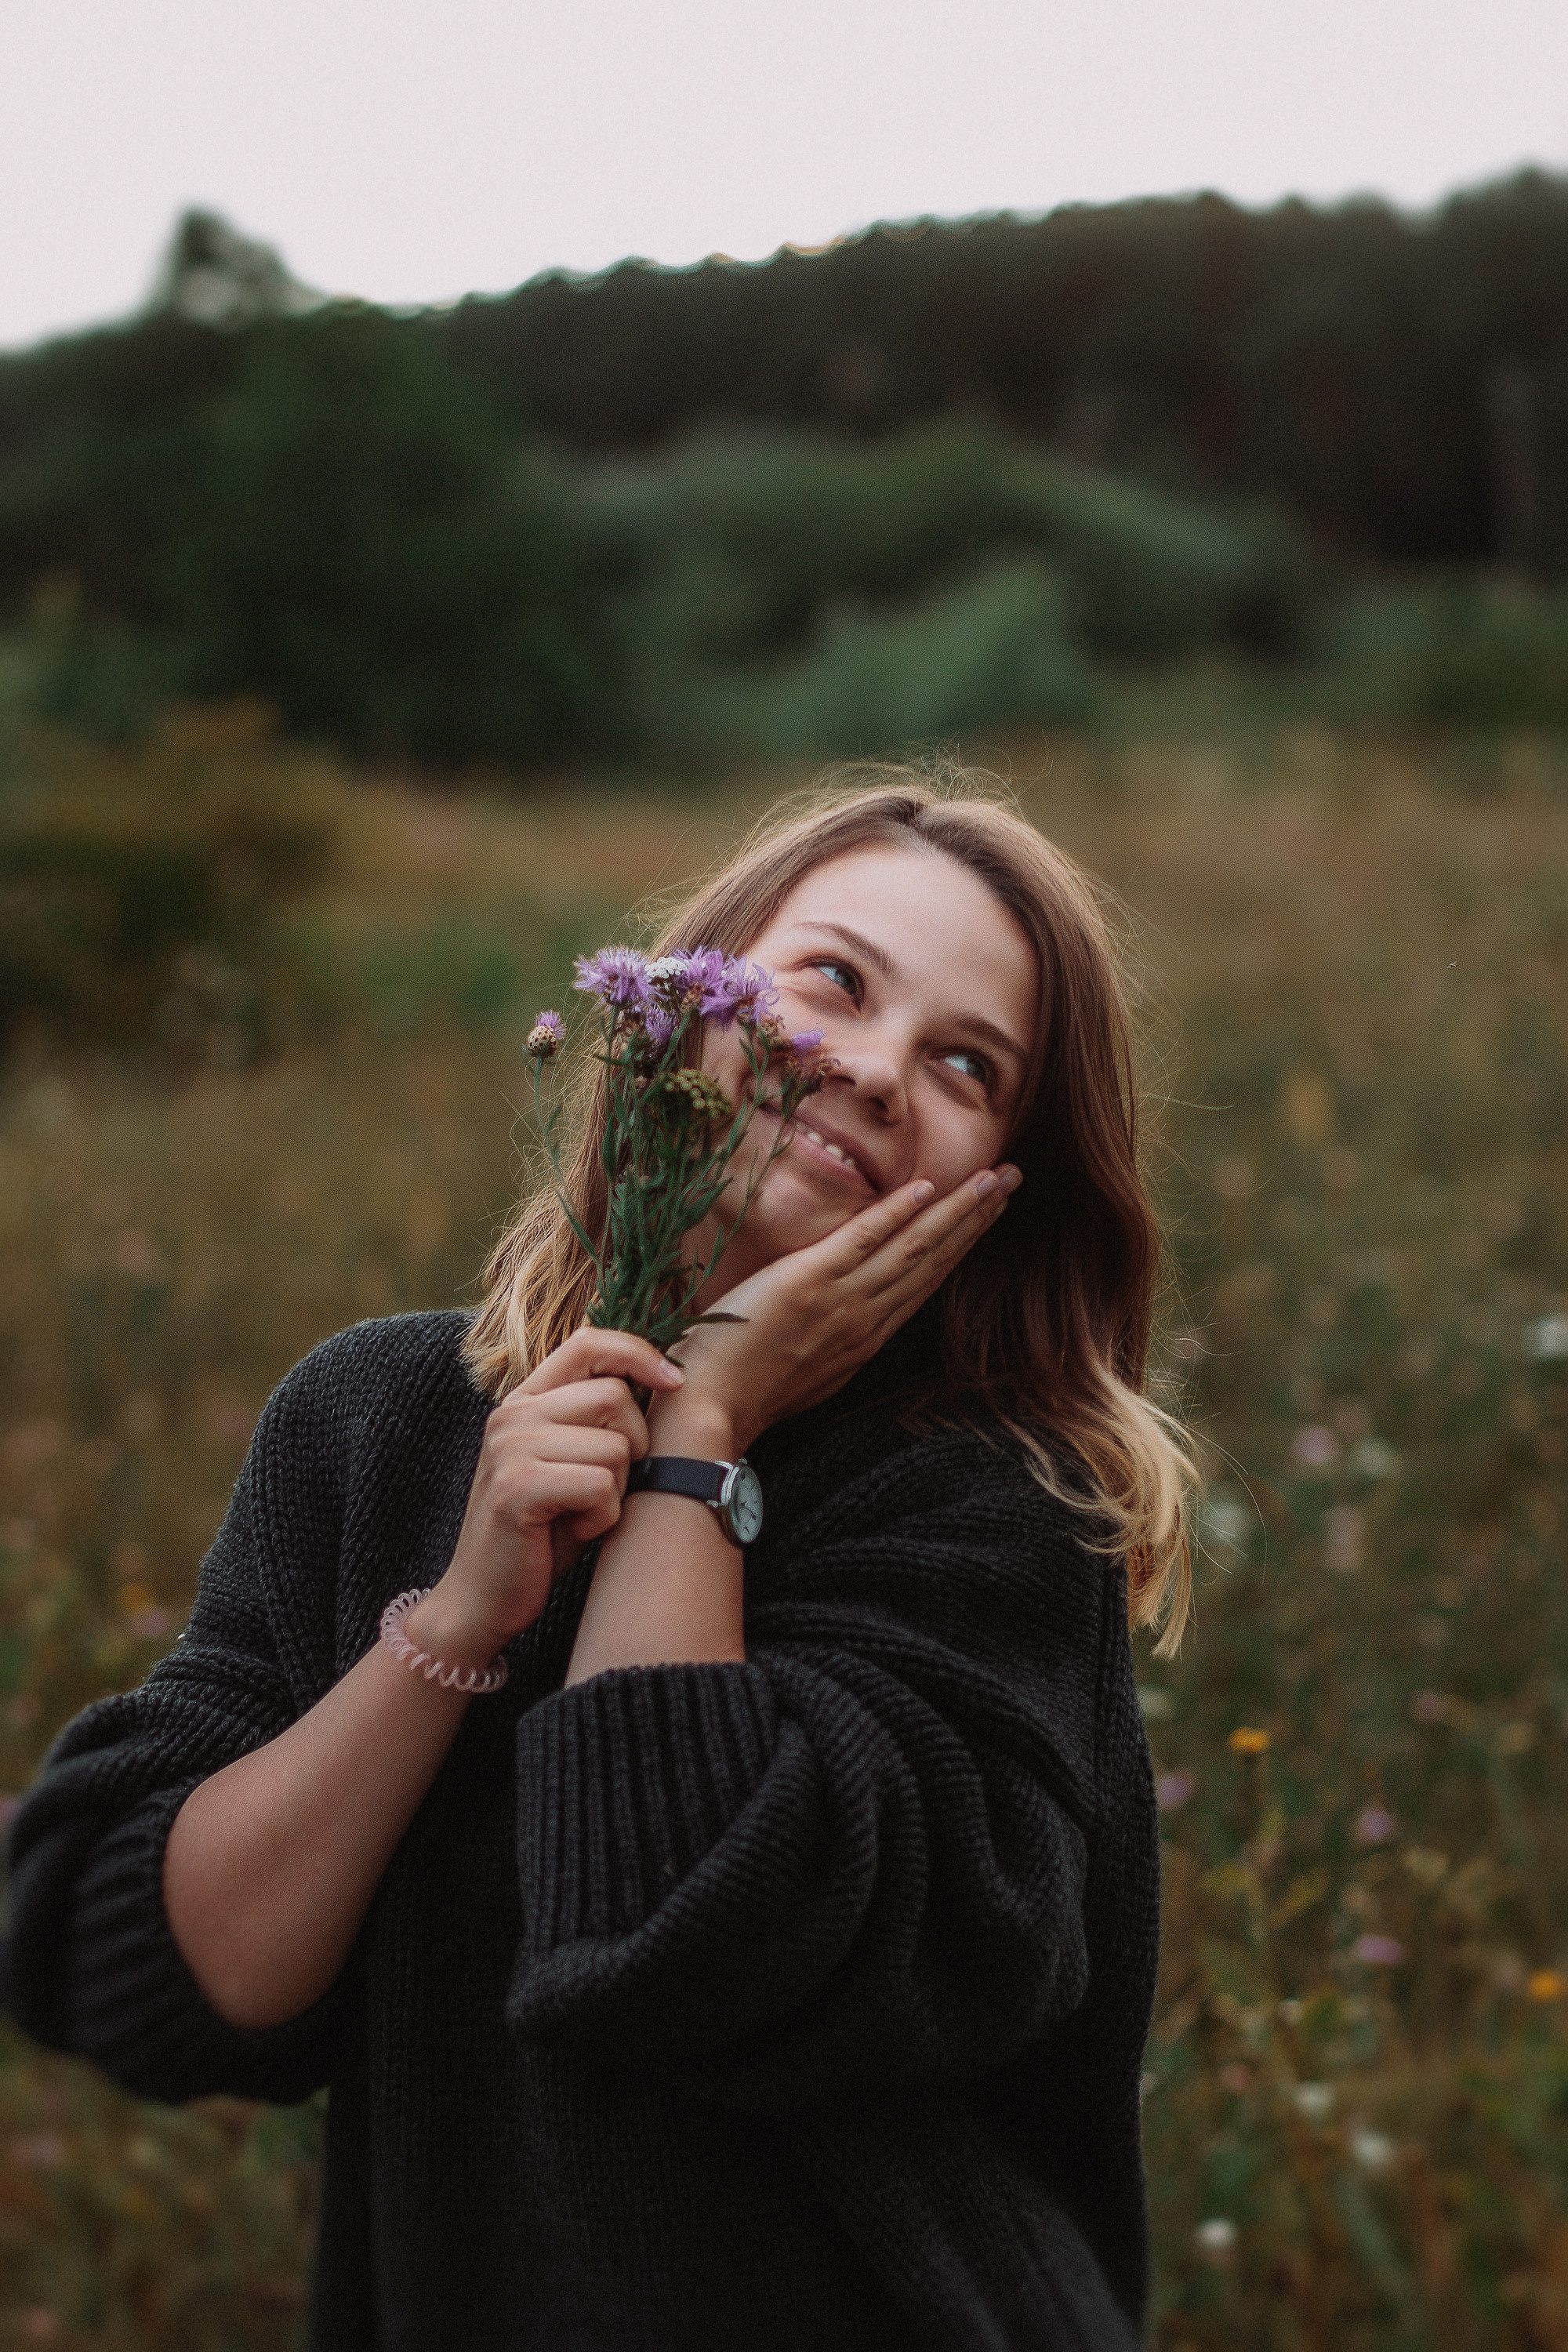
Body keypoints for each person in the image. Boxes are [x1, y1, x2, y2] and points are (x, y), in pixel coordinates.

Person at [6, 772, 1195, 2351]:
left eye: (968, 1064)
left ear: (996, 1185)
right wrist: (458, 1620)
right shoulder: (375, 1424)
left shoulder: (990, 1513)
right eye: (835, 978)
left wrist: (700, 1431)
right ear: (685, 1000)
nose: (877, 1067)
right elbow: (135, 1965)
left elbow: (666, 1938)